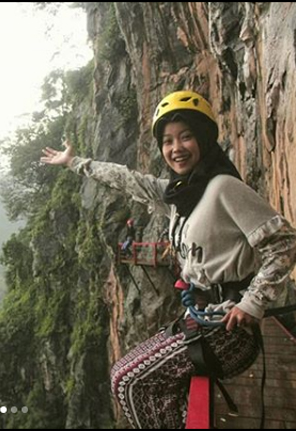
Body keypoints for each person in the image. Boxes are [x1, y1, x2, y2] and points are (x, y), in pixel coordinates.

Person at [40, 90, 296, 428]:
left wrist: (252, 303)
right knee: (123, 374)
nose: (176, 148)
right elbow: (129, 180)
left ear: (203, 139)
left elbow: (284, 244)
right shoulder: (179, 195)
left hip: (230, 332)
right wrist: (76, 163)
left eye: (186, 136)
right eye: (168, 140)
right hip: (203, 320)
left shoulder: (223, 188)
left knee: (130, 382)